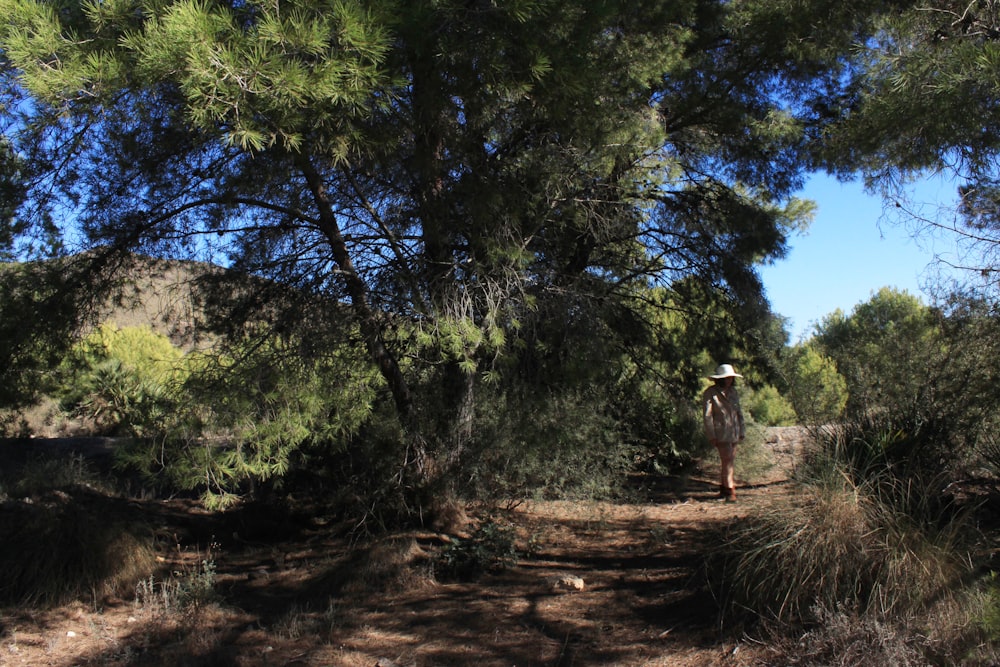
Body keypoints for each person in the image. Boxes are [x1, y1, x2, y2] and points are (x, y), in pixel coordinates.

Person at [702, 363, 745, 502]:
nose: (728, 380)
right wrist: (711, 435)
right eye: (726, 378)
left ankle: (724, 490)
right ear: (719, 378)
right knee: (727, 461)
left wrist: (742, 430)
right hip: (720, 432)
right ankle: (730, 491)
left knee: (729, 461)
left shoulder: (733, 392)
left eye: (730, 378)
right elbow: (707, 415)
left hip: (734, 431)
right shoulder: (710, 392)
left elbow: (739, 412)